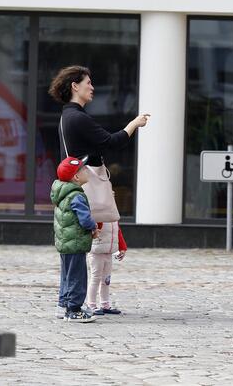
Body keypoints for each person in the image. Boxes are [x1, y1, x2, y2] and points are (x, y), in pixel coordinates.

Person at [48, 65, 148, 318]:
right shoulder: (78, 118)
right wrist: (134, 124)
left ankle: (66, 304)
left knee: (72, 254)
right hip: (87, 187)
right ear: (75, 86)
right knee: (81, 253)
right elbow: (111, 142)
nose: (92, 87)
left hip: (73, 190)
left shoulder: (67, 116)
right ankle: (74, 306)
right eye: (88, 83)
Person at [52, 155, 98, 323]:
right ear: (76, 177)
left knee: (66, 275)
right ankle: (74, 310)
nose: (87, 170)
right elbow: (85, 220)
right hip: (76, 243)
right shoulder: (77, 196)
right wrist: (94, 227)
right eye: (83, 169)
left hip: (65, 243)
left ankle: (62, 306)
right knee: (77, 277)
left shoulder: (62, 193)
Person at [86, 221, 127, 316]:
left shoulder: (113, 218)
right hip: (96, 252)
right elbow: (95, 227)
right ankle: (91, 305)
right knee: (95, 278)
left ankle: (105, 304)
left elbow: (117, 232)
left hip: (108, 251)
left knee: (106, 280)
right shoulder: (99, 214)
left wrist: (122, 248)